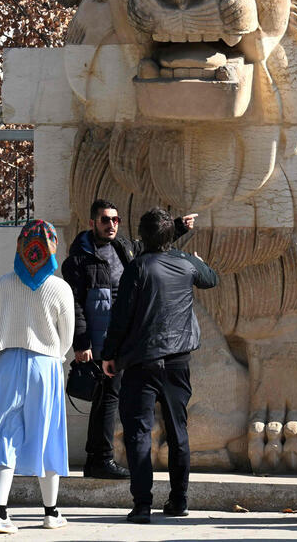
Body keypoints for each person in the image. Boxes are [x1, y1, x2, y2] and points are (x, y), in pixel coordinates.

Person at [61, 199, 195, 480]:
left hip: (123, 337)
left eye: (115, 220)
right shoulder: (78, 259)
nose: (111, 225)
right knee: (106, 399)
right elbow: (73, 304)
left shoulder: (123, 248)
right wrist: (82, 343)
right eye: (105, 220)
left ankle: (99, 458)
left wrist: (178, 228)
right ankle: (99, 459)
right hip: (98, 340)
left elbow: (152, 247)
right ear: (92, 223)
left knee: (110, 398)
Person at [100, 207, 217, 524]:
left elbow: (120, 318)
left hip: (142, 361)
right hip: (178, 361)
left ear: (142, 236)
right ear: (170, 236)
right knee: (179, 431)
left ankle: (142, 505)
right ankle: (179, 501)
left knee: (138, 433)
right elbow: (210, 279)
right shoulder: (185, 263)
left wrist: (109, 355)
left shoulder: (138, 268)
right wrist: (199, 261)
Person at [0, 219, 75, 534]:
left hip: (7, 363)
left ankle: (0, 512)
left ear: (20, 247)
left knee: (4, 436)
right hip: (46, 365)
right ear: (52, 248)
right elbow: (66, 338)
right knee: (47, 435)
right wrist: (51, 351)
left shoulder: (4, 282)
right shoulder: (60, 288)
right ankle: (51, 512)